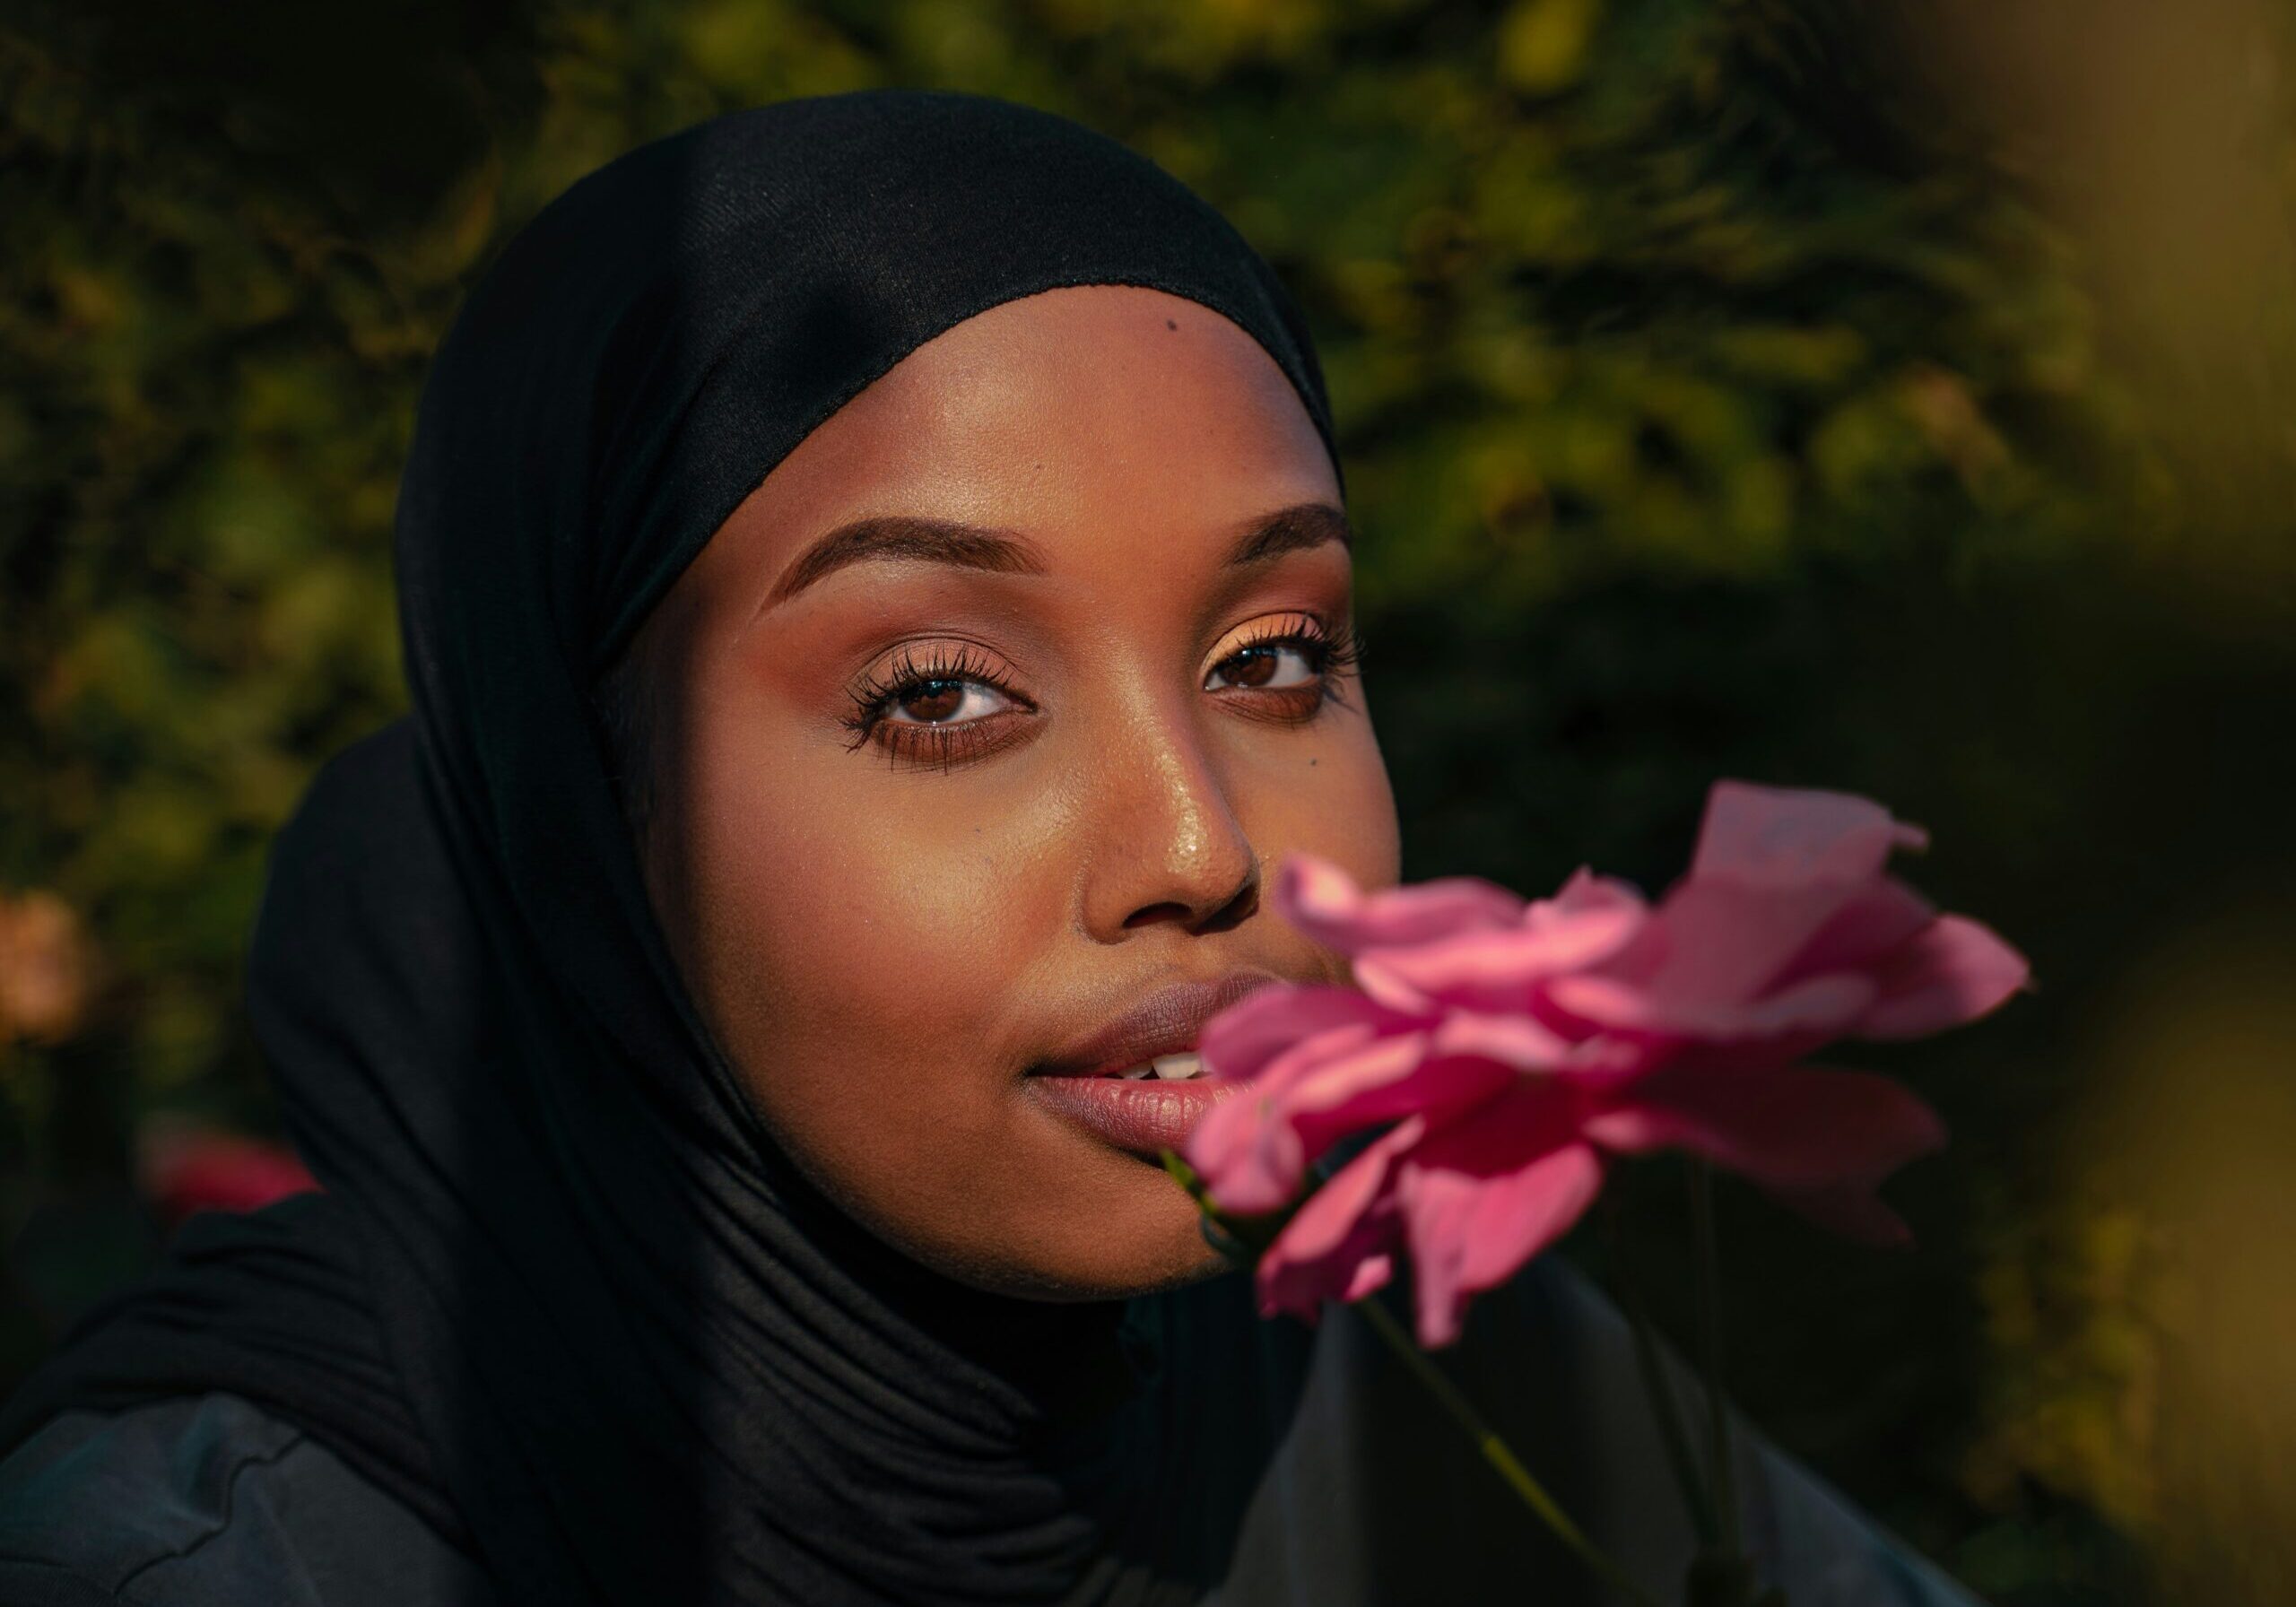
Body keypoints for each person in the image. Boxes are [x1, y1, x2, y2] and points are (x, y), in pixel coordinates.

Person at [0, 91, 1979, 1606]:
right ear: (581, 816)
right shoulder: (236, 1559)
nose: (1201, 842)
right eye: (940, 693)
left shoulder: (1394, 1359)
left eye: (1275, 658)